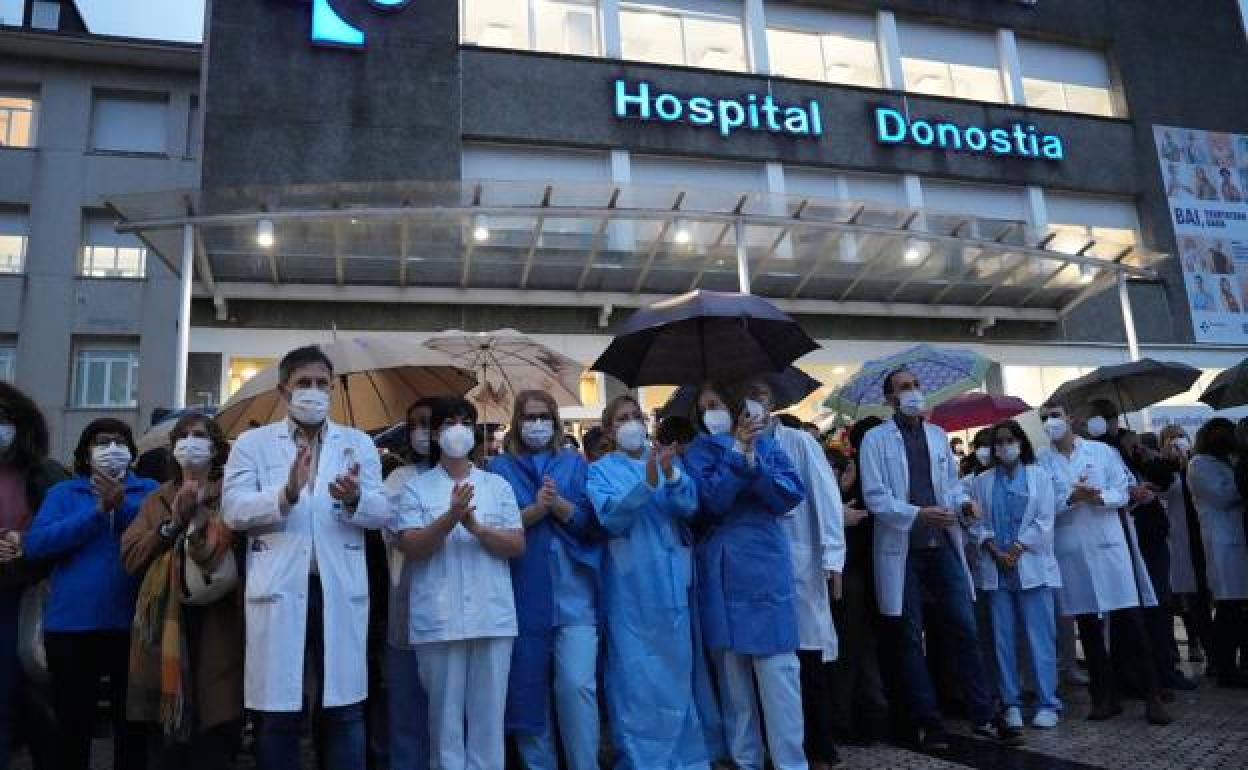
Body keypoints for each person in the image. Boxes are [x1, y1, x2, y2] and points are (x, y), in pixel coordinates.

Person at [222, 345, 390, 770]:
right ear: (284, 389)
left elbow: (382, 512)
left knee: (345, 708)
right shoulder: (252, 444)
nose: (313, 392)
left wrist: (355, 499)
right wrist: (286, 494)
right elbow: (234, 511)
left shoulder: (358, 444)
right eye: (303, 384)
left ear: (332, 389)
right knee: (280, 711)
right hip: (280, 589)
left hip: (339, 589)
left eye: (321, 384)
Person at [858, 368, 1015, 750]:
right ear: (890, 399)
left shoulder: (936, 435)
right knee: (910, 638)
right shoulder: (876, 440)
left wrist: (962, 503)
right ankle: (928, 722)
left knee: (965, 628)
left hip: (942, 545)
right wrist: (918, 514)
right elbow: (876, 497)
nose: (913, 393)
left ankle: (983, 714)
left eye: (915, 386)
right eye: (904, 388)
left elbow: (950, 486)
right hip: (903, 550)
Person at [586, 395, 718, 770]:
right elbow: (611, 518)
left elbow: (690, 507)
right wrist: (645, 484)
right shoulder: (600, 471)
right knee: (634, 676)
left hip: (672, 585)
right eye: (622, 418)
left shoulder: (664, 459)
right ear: (610, 431)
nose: (631, 423)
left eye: (636, 416)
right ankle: (643, 758)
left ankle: (686, 757)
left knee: (676, 671)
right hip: (629, 588)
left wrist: (671, 475)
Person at [395, 397, 526, 770]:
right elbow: (412, 546)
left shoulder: (497, 485)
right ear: (435, 433)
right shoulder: (417, 489)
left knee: (488, 720)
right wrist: (451, 517)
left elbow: (517, 544)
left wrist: (477, 528)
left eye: (466, 422)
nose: (458, 430)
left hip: (492, 616)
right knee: (445, 722)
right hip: (440, 619)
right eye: (449, 422)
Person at [684, 383, 810, 770]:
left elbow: (789, 495)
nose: (713, 412)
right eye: (705, 407)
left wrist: (753, 461)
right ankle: (746, 760)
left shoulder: (770, 444)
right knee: (733, 681)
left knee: (779, 674)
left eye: (718, 403)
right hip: (720, 569)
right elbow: (711, 501)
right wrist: (738, 455)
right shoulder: (697, 452)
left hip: (764, 565)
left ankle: (792, 763)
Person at [19, 418, 158, 770]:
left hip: (133, 625)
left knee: (133, 727)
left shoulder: (149, 491)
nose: (112, 448)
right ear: (85, 453)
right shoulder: (64, 493)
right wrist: (98, 512)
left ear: (131, 451)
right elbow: (36, 545)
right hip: (71, 626)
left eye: (120, 441)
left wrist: (121, 507)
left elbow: (156, 538)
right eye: (102, 441)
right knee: (72, 725)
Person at [120, 413, 244, 768]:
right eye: (184, 436)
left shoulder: (233, 493)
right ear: (173, 449)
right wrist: (172, 524)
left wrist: (202, 517)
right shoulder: (158, 499)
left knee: (216, 722)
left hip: (220, 620)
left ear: (216, 447)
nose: (191, 442)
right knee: (168, 737)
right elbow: (130, 556)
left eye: (200, 435)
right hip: (167, 623)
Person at [1036, 404, 1172, 724]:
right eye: (1044, 419)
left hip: (1109, 545)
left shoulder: (1100, 452)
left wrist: (1099, 497)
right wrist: (1072, 498)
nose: (1051, 422)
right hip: (1072, 550)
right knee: (1088, 626)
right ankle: (1103, 697)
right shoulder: (1041, 461)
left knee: (1131, 620)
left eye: (1056, 415)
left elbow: (1122, 489)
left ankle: (1152, 695)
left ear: (1070, 418)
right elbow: (1042, 503)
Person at [488, 391, 603, 770]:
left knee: (576, 686)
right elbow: (493, 529)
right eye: (529, 416)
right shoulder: (499, 469)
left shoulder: (574, 464)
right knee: (527, 690)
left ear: (555, 421)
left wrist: (560, 507)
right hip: (522, 595)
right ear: (517, 422)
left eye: (543, 416)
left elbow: (590, 524)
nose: (537, 423)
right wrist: (537, 510)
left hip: (575, 595)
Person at [741, 377, 846, 770]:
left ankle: (820, 748)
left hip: (801, 561)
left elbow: (826, 499)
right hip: (759, 567)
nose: (755, 403)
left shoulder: (799, 442)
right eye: (748, 397)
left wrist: (833, 559)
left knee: (808, 658)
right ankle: (778, 747)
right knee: (770, 665)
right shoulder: (739, 447)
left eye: (761, 395)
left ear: (773, 401)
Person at [969, 420, 1061, 730]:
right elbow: (973, 521)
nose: (1004, 446)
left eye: (1009, 440)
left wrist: (1018, 548)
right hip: (997, 569)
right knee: (1002, 639)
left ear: (1020, 443)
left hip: (1031, 566)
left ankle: (1047, 701)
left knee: (1040, 638)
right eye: (999, 442)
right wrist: (994, 549)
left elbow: (1046, 520)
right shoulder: (981, 481)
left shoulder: (1039, 477)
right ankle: (1011, 703)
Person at [0, 382, 65, 770]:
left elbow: (63, 528)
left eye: (5, 418)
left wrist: (26, 542)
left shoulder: (43, 475)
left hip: (24, 599)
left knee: (23, 694)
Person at [383, 398, 436, 770]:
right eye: (415, 424)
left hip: (456, 609)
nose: (423, 432)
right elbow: (399, 535)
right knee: (407, 707)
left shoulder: (473, 476)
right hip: (407, 600)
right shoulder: (397, 480)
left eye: (431, 424)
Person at [828, 417, 889, 745]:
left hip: (864, 571)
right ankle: (849, 717)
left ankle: (862, 714)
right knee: (852, 649)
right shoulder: (848, 474)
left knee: (860, 649)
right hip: (851, 573)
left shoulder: (867, 475)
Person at [1186, 419, 1248, 688]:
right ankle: (1224, 666)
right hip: (1221, 540)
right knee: (1228, 607)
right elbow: (1223, 495)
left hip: (1237, 539)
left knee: (1238, 607)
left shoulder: (1227, 462)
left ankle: (1237, 664)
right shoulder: (1199, 465)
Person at [1158, 426, 1213, 667]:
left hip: (1204, 537)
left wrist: (1187, 463)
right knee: (1191, 598)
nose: (1177, 442)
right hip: (1182, 539)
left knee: (1212, 594)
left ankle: (1214, 648)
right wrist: (1171, 467)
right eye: (1171, 439)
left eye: (1180, 437)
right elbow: (1164, 494)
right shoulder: (1163, 471)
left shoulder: (1199, 465)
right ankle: (1197, 644)